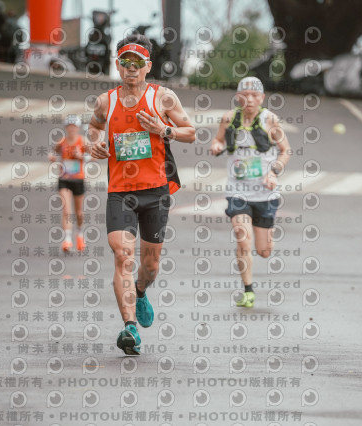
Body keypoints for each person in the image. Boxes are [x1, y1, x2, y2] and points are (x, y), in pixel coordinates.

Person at [87, 34, 195, 355]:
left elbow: (190, 132)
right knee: (123, 255)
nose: (131, 68)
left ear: (148, 66)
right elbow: (94, 126)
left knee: (150, 265)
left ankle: (141, 290)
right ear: (118, 65)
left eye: (137, 63)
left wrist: (163, 130)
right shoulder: (105, 101)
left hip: (156, 192)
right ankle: (130, 328)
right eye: (125, 62)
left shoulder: (163, 98)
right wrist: (94, 142)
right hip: (120, 192)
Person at [210, 76, 291, 308]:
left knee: (264, 251)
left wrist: (274, 172)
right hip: (238, 191)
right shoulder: (228, 119)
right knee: (243, 238)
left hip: (265, 193)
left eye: (255, 95)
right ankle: (248, 290)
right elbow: (218, 140)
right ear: (238, 97)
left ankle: (266, 240)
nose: (250, 99)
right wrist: (216, 145)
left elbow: (285, 150)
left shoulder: (269, 120)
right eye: (245, 95)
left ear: (262, 98)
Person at [48, 115, 88, 253]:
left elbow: (94, 155)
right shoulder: (62, 141)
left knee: (79, 212)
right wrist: (52, 157)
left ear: (78, 128)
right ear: (66, 128)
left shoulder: (82, 141)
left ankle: (80, 233)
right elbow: (53, 152)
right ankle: (67, 239)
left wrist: (81, 156)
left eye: (74, 127)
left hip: (78, 179)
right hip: (64, 178)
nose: (72, 129)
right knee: (66, 210)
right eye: (69, 127)